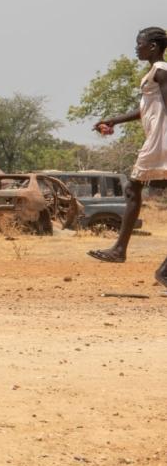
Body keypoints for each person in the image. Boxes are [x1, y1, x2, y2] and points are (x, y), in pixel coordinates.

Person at [87, 26, 167, 290]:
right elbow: (147, 109)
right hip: (158, 143)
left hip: (160, 145)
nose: (136, 47)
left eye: (140, 43)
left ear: (153, 47)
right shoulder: (155, 73)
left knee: (132, 188)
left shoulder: (161, 71)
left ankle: (120, 249)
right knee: (133, 189)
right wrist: (115, 120)